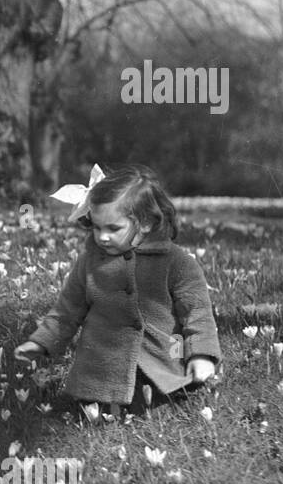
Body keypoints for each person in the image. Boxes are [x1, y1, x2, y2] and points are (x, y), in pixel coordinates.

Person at [15, 163, 220, 416]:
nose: (102, 237)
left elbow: (197, 312)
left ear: (144, 223)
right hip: (100, 374)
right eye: (97, 227)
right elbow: (67, 311)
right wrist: (41, 342)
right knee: (99, 415)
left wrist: (201, 354)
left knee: (159, 408)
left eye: (113, 228)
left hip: (161, 367)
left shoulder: (176, 263)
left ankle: (160, 401)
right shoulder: (90, 263)